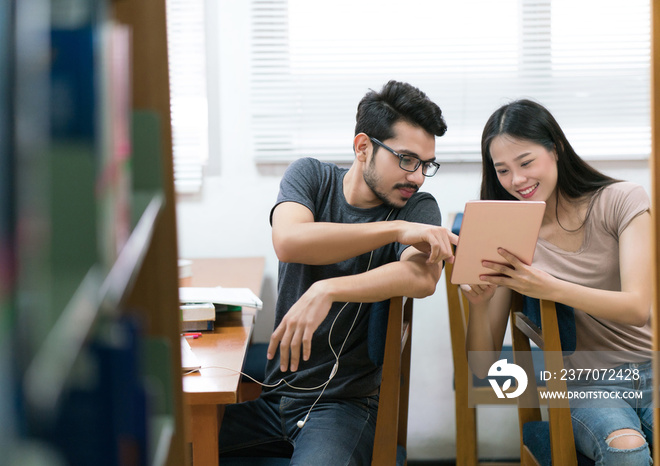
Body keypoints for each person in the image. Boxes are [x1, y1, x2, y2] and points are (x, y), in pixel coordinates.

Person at [217, 80, 457, 464]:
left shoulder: (419, 206)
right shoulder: (310, 177)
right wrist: (395, 230)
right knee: (169, 442)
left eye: (426, 165)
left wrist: (328, 288)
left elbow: (422, 278)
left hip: (344, 408)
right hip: (276, 396)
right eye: (407, 159)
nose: (417, 176)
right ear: (363, 147)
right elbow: (290, 239)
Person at [463, 99, 653, 465]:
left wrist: (549, 288)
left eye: (526, 162)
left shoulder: (622, 200)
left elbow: (635, 308)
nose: (517, 180)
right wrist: (480, 304)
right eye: (502, 170)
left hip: (651, 370)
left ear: (556, 149)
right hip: (586, 385)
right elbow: (483, 366)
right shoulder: (508, 233)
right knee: (626, 450)